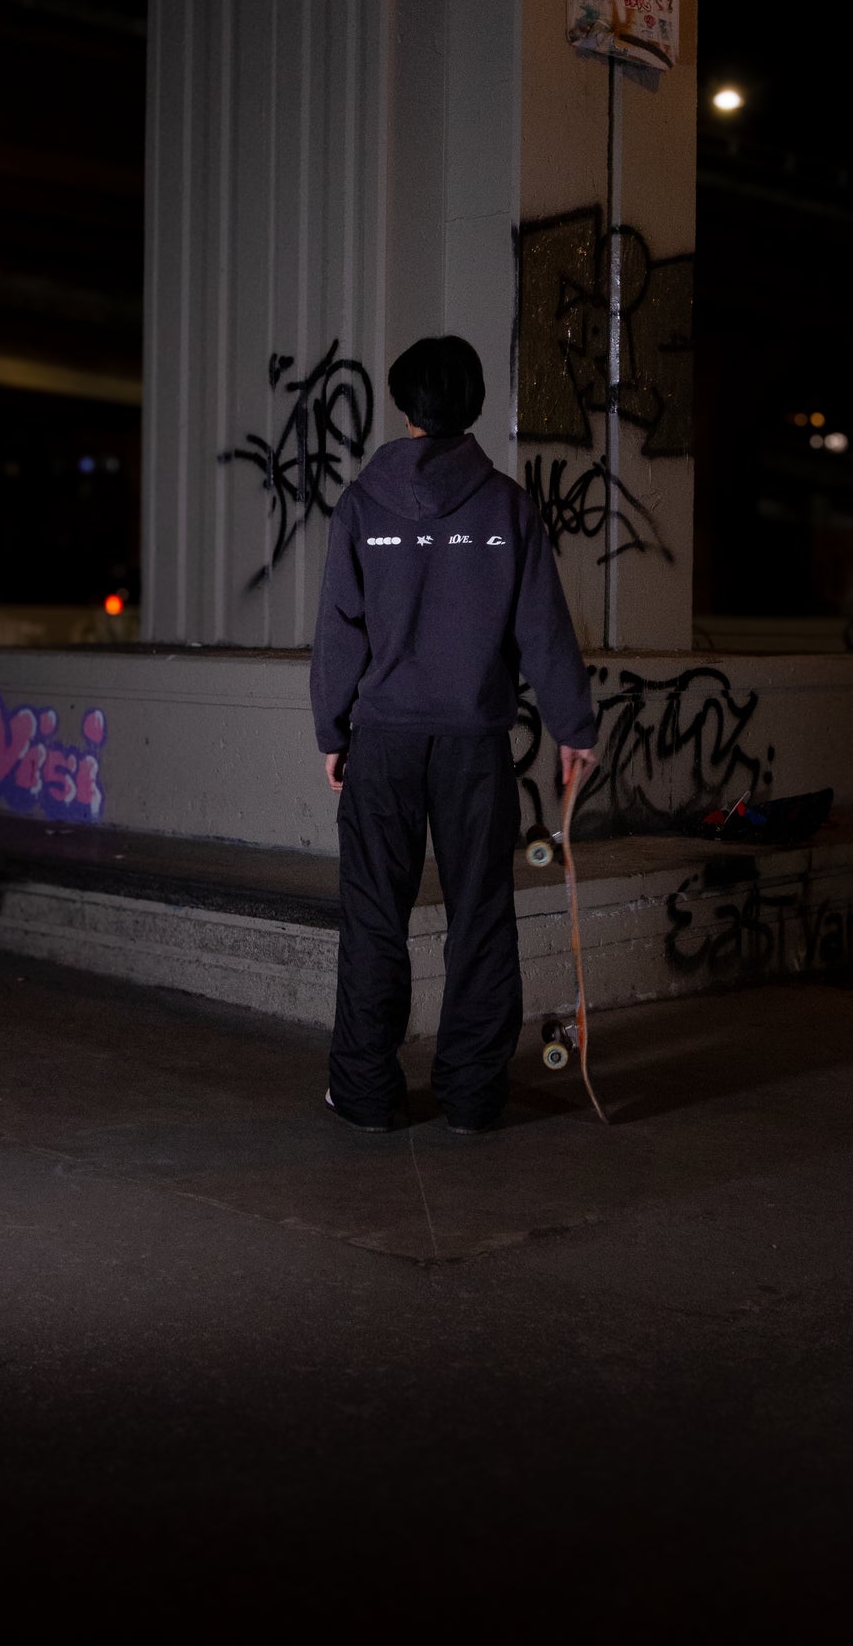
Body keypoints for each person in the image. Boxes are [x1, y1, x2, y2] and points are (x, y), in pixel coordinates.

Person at [310, 335, 598, 1134]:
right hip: (473, 747)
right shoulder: (505, 505)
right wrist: (573, 722)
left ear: (405, 408)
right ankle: (472, 1096)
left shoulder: (363, 504)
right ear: (471, 406)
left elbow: (340, 629)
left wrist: (333, 728)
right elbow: (542, 622)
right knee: (479, 913)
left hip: (384, 743)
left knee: (373, 916)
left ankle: (365, 1094)